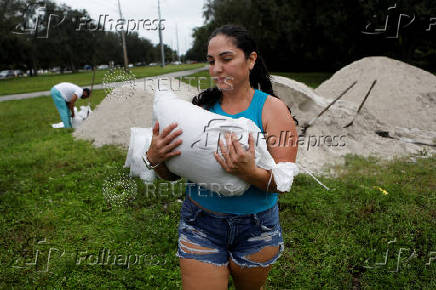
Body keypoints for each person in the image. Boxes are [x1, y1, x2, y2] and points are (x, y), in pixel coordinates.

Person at [145, 25, 298, 289]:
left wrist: (249, 173)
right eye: (211, 61)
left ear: (250, 60)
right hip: (200, 223)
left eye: (226, 59)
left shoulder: (273, 110)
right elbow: (171, 174)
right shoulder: (199, 111)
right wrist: (155, 157)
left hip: (256, 228)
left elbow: (282, 183)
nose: (216, 68)